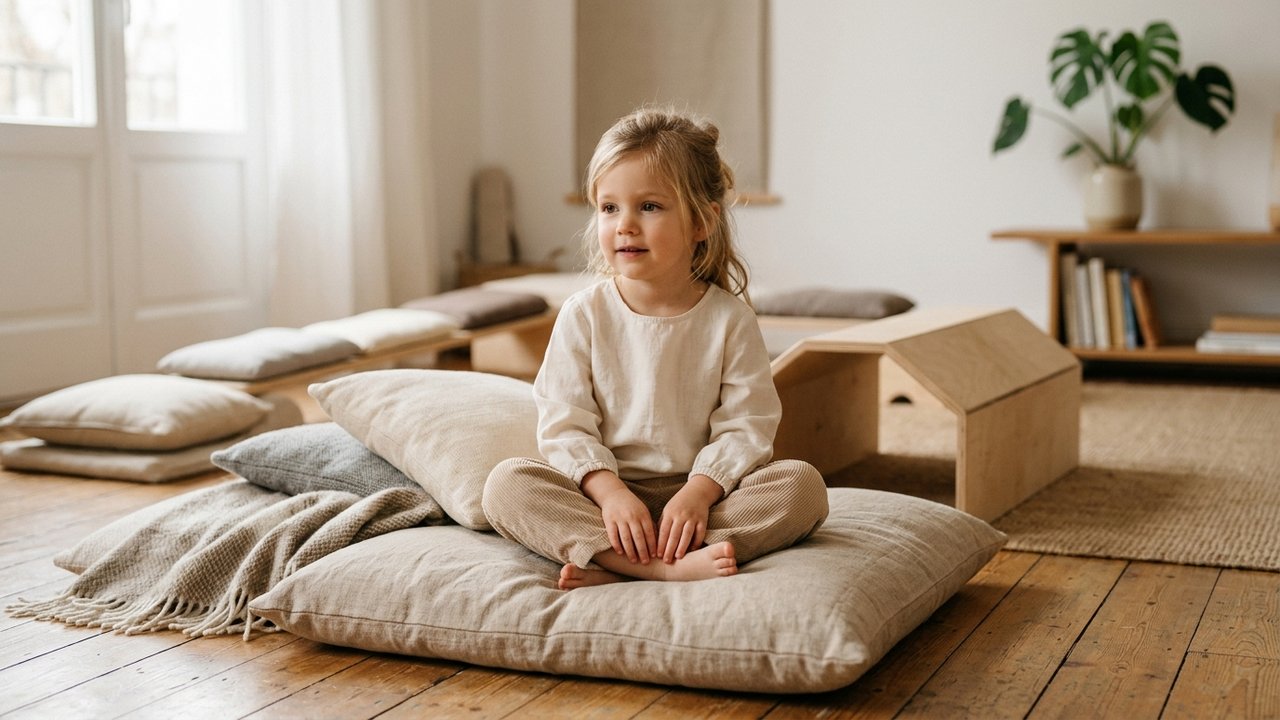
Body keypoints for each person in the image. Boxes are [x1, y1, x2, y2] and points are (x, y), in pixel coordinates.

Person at [482, 107, 828, 590]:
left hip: (706, 497)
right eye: (609, 208)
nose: (624, 225)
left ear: (702, 222)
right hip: (605, 497)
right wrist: (611, 494)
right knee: (507, 484)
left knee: (802, 487)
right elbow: (564, 424)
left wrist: (699, 494)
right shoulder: (583, 314)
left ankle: (615, 564)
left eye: (649, 206)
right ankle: (653, 568)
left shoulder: (730, 319)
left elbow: (748, 426)